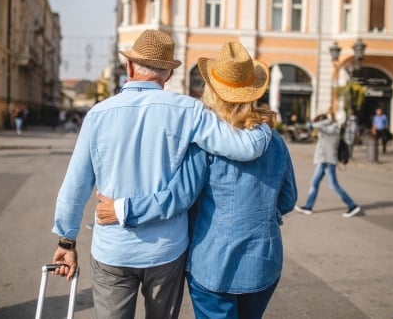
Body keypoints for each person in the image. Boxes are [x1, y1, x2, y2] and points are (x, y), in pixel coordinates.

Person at [50, 30, 272, 319]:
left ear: (129, 67)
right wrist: (265, 125)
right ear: (168, 74)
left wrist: (66, 241)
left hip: (113, 249)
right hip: (166, 251)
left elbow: (74, 187)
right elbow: (243, 148)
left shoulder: (98, 114)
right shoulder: (189, 111)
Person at [95, 42, 298, 319]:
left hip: (213, 265)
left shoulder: (206, 142)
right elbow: (288, 200)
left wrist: (123, 209)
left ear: (212, 91)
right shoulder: (274, 141)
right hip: (264, 262)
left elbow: (178, 198)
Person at [295, 111, 361, 218]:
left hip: (328, 161)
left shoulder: (331, 129)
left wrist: (328, 120)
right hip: (324, 160)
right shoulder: (330, 129)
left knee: (333, 185)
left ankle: (352, 205)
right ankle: (308, 207)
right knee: (314, 183)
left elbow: (314, 125)